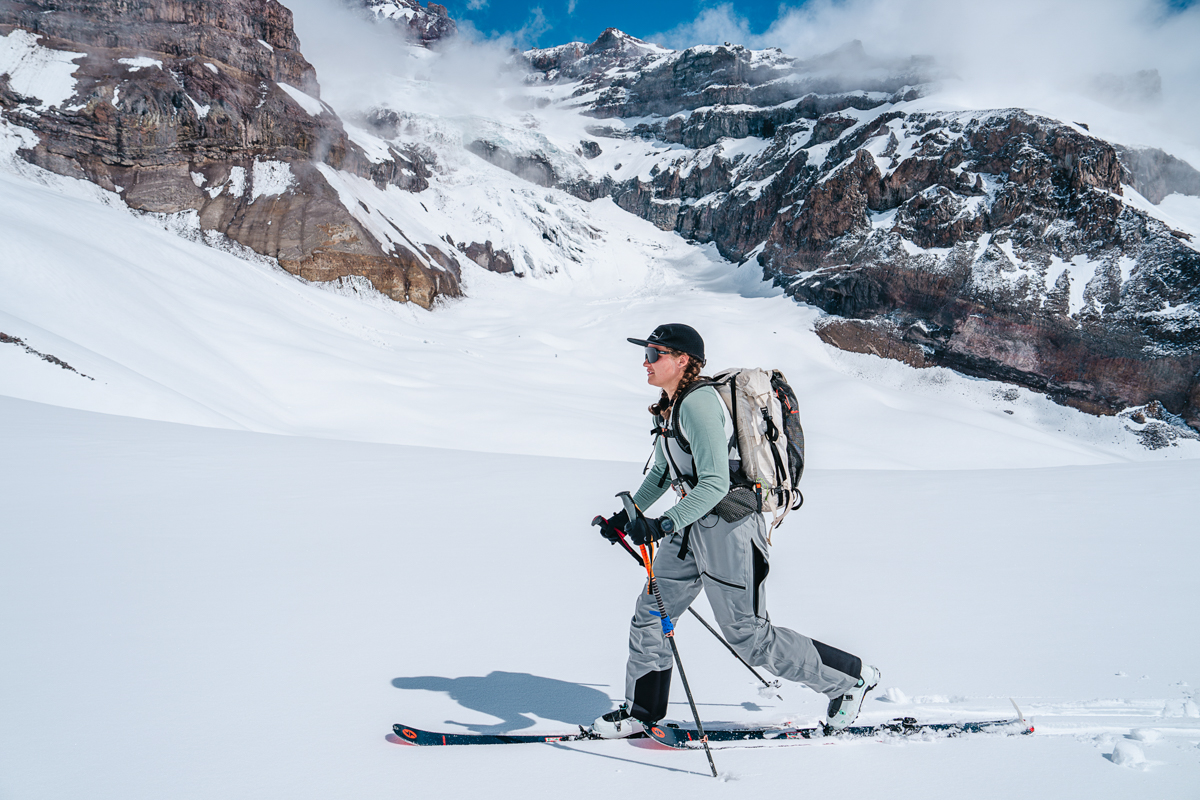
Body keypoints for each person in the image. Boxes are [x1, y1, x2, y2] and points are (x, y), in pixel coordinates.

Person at [591, 323, 879, 738]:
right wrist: (630, 514)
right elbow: (661, 472)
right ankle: (642, 713)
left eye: (655, 354)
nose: (646, 361)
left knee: (749, 636)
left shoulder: (699, 404)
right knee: (651, 614)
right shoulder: (672, 406)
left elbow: (714, 484)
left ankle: (851, 679)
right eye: (647, 353)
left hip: (730, 526)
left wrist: (663, 523)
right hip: (692, 528)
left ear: (682, 360)